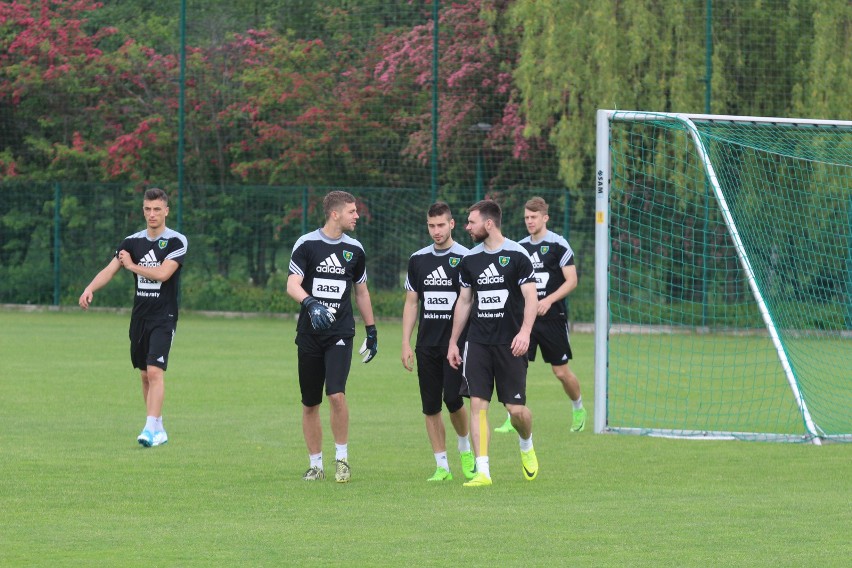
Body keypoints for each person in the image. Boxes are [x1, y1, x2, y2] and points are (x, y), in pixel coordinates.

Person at [78, 187, 188, 448]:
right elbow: (110, 269)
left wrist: (133, 266)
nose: (152, 214)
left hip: (164, 316)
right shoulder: (131, 242)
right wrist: (90, 288)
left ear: (166, 211)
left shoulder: (176, 241)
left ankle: (149, 429)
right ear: (143, 210)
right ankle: (158, 427)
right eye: (148, 209)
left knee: (155, 371)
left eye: (157, 209)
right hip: (139, 317)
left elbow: (163, 274)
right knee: (143, 374)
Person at [287, 190, 378, 483]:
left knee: (336, 394)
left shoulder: (355, 250)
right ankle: (316, 464)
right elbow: (292, 284)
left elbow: (361, 292)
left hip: (340, 333)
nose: (357, 216)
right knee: (310, 402)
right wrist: (310, 303)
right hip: (309, 335)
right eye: (352, 211)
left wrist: (372, 329)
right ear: (335, 214)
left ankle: (342, 461)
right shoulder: (307, 244)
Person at [447, 199, 539, 487]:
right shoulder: (470, 260)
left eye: (471, 222)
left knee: (516, 411)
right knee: (478, 405)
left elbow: (531, 298)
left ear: (489, 223)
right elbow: (464, 301)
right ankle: (483, 471)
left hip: (511, 344)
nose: (467, 227)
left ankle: (526, 444)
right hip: (478, 343)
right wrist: (453, 342)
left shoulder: (517, 254)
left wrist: (525, 332)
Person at [495, 196, 587, 434]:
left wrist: (548, 300)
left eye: (533, 217)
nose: (529, 221)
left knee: (561, 372)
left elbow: (572, 281)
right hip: (526, 320)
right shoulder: (519, 247)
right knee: (515, 366)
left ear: (545, 218)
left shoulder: (559, 245)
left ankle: (578, 408)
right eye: (526, 217)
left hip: (553, 319)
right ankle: (512, 414)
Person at [401, 202, 475, 482]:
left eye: (441, 225)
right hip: (427, 345)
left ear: (452, 224)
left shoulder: (467, 258)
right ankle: (442, 466)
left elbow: (470, 302)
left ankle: (465, 447)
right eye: (431, 226)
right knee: (430, 406)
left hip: (456, 344)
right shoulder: (418, 260)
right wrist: (406, 343)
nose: (436, 231)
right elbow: (411, 303)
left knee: (453, 399)